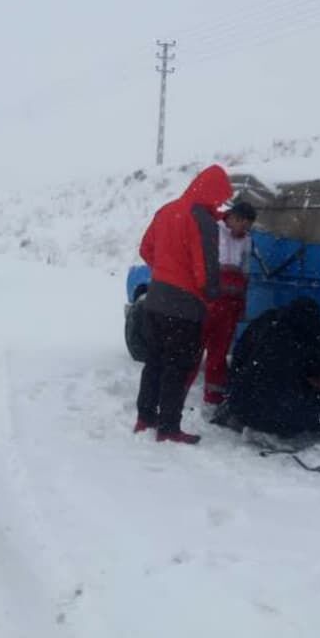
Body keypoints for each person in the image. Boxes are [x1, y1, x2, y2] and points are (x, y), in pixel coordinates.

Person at [135, 164, 234, 444]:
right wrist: (213, 295)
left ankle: (145, 418)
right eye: (221, 196)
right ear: (214, 192)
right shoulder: (201, 219)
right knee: (176, 367)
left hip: (155, 301)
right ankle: (168, 428)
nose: (220, 203)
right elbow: (206, 269)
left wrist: (166, 272)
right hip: (184, 308)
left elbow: (145, 249)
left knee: (154, 362)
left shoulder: (167, 210)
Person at [219, 297, 320, 437]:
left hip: (241, 407)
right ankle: (270, 425)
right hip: (281, 422)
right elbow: (317, 380)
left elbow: (239, 355)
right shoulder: (309, 341)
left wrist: (232, 391)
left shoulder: (266, 323)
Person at [190, 200, 257, 405]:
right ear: (233, 218)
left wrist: (240, 305)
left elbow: (245, 273)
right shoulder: (212, 231)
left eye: (248, 227)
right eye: (243, 225)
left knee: (219, 355)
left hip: (229, 308)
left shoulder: (247, 240)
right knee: (193, 349)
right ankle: (177, 391)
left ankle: (214, 396)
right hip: (207, 304)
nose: (245, 230)